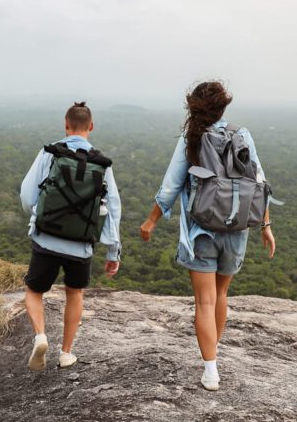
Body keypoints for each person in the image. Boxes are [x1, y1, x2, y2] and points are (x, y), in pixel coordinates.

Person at [139, 82, 276, 391]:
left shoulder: (193, 139)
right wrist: (266, 227)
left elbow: (170, 186)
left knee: (204, 300)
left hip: (200, 231)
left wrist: (151, 221)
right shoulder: (242, 135)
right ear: (223, 108)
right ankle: (214, 353)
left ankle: (210, 369)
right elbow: (260, 182)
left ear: (194, 107)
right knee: (221, 295)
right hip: (236, 229)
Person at [19, 101, 122, 370]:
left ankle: (41, 336)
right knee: (74, 293)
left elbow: (27, 195)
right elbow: (112, 209)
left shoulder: (50, 153)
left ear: (66, 125)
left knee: (33, 290)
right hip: (81, 244)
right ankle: (66, 352)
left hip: (47, 238)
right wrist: (113, 251)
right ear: (91, 126)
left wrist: (39, 215)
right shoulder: (102, 164)